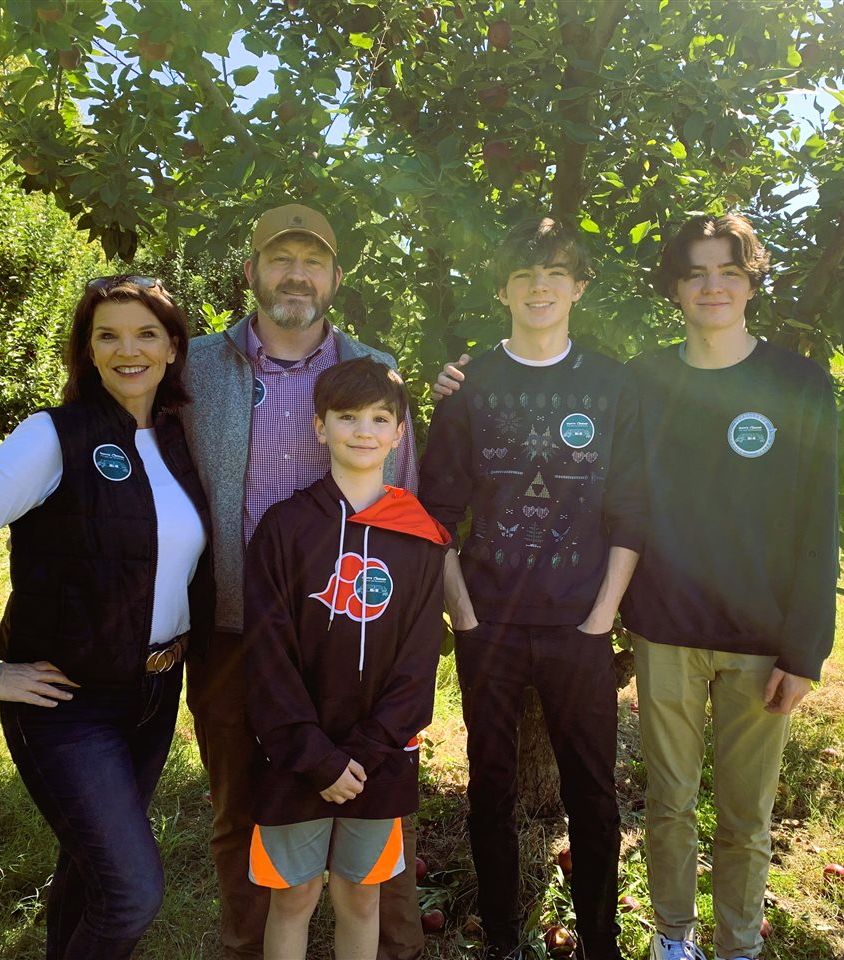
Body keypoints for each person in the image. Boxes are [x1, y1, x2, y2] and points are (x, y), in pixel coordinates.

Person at [434, 213, 839, 960]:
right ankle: (589, 938)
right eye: (695, 274)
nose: (711, 286)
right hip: (578, 628)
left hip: (674, 631)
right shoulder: (599, 380)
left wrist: (802, 647)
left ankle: (676, 944)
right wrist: (469, 619)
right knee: (591, 798)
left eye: (728, 272)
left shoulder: (744, 384)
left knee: (678, 806)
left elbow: (803, 521)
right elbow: (449, 509)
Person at [0, 276, 211, 960]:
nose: (126, 350)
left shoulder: (176, 440)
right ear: (87, 350)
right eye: (107, 334)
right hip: (68, 704)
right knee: (133, 890)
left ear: (172, 349)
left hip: (155, 694)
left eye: (145, 334)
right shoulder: (53, 437)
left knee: (90, 872)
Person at [180, 203, 423, 959]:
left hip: (354, 632)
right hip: (228, 624)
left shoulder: (372, 372)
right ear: (250, 272)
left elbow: (403, 503)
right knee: (241, 802)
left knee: (376, 799)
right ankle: (248, 948)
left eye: (312, 261)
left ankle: (395, 948)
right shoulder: (196, 366)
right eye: (279, 259)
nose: (295, 274)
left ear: (336, 278)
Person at [419, 216, 646, 960]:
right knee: (491, 789)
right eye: (524, 276)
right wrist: (465, 615)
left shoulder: (615, 385)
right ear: (503, 290)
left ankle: (600, 942)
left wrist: (603, 617)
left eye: (555, 273)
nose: (539, 287)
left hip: (582, 625)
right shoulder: (468, 385)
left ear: (579, 287)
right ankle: (503, 939)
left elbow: (630, 510)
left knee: (593, 794)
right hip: (491, 624)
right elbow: (437, 515)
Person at [242, 357, 450, 959]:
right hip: (294, 754)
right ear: (319, 428)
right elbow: (266, 656)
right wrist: (316, 757)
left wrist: (362, 754)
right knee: (295, 895)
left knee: (363, 896)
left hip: (377, 757)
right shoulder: (284, 529)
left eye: (379, 418)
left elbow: (418, 662)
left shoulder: (419, 537)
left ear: (399, 433)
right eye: (347, 417)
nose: (363, 431)